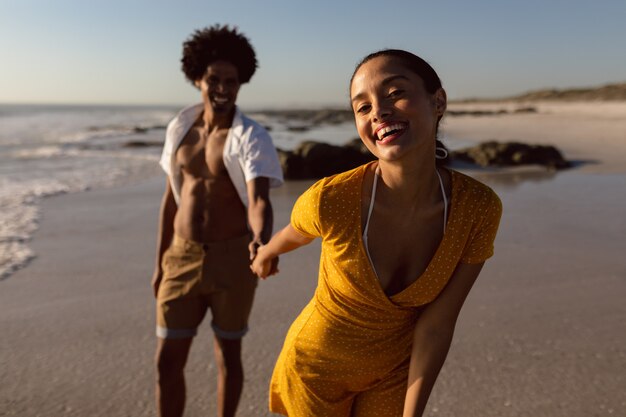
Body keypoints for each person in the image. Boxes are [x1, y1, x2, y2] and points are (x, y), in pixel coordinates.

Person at [251, 49, 502, 417]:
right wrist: (265, 253)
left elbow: (437, 324)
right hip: (315, 371)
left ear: (438, 101)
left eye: (394, 93)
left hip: (395, 373)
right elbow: (296, 232)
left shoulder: (477, 209)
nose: (378, 112)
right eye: (362, 107)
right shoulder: (332, 198)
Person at [152, 25, 283, 417]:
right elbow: (170, 200)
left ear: (241, 82)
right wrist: (159, 263)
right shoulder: (180, 129)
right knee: (166, 363)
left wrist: (261, 239)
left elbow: (258, 198)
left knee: (228, 354)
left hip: (232, 258)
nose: (223, 88)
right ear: (197, 78)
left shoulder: (251, 136)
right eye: (214, 80)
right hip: (181, 256)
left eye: (231, 81)